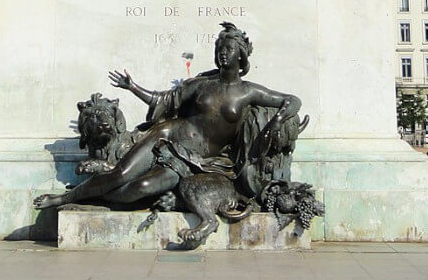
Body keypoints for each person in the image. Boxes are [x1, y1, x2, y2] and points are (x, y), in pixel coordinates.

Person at [34, 22, 300, 210]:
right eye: (219, 47)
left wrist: (277, 121)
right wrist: (132, 87)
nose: (222, 52)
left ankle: (95, 196)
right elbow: (164, 100)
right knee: (120, 174)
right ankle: (65, 199)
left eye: (228, 48)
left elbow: (292, 101)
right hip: (166, 137)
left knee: (141, 187)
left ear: (240, 55)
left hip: (193, 161)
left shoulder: (249, 92)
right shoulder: (202, 84)